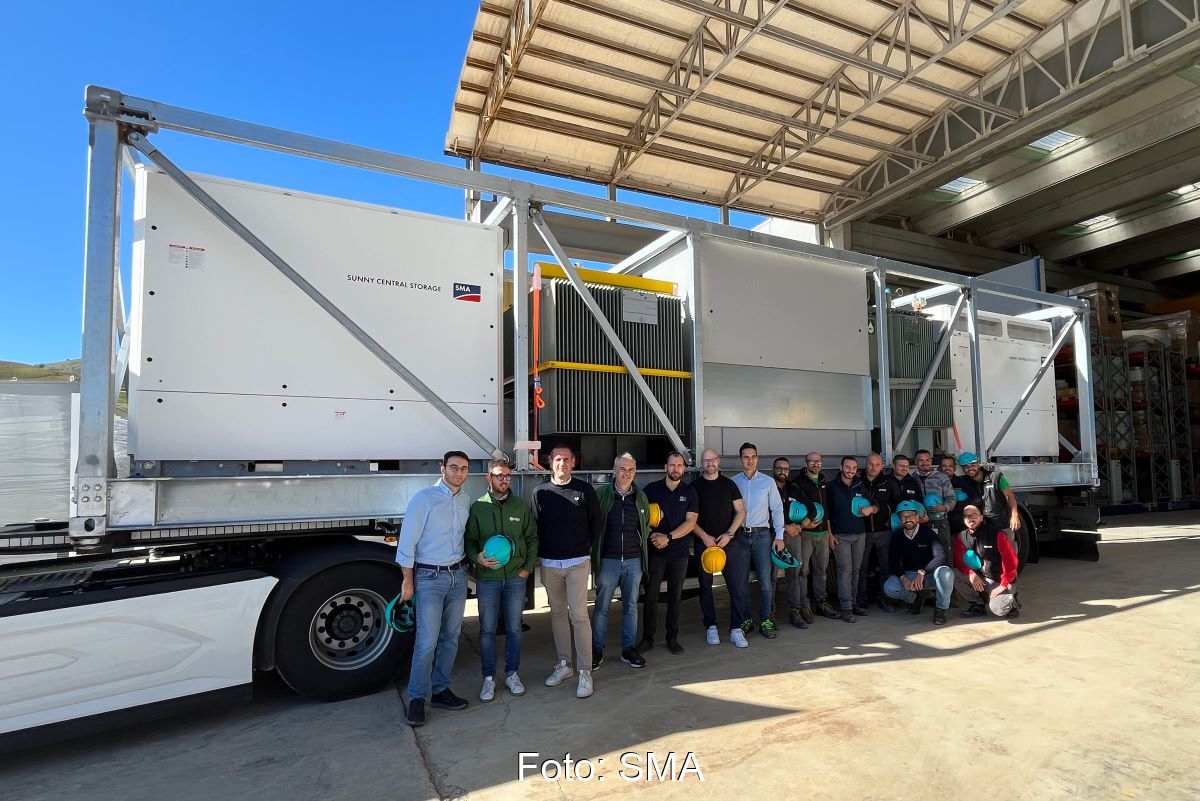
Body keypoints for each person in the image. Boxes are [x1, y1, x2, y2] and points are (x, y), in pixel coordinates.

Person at [396, 450, 473, 728]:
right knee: (426, 642)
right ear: (443, 469)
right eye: (454, 468)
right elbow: (407, 541)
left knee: (451, 637)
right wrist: (408, 579)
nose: (459, 473)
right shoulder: (424, 499)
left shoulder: (465, 500)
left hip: (457, 576)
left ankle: (440, 690)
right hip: (429, 577)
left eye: (464, 469)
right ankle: (416, 699)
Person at [532, 444, 603, 699]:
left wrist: (583, 549)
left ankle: (585, 672)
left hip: (577, 563)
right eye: (557, 459)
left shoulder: (584, 490)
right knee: (558, 614)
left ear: (573, 463)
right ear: (550, 462)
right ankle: (565, 665)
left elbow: (596, 524)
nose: (562, 463)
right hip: (550, 565)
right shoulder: (539, 492)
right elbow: (536, 527)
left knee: (579, 616)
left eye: (566, 459)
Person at [465, 458, 538, 703]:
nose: (504, 479)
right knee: (486, 630)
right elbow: (470, 541)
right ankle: (488, 678)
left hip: (516, 579)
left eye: (507, 475)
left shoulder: (520, 506)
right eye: (499, 475)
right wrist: (477, 559)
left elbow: (532, 539)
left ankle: (512, 673)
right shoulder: (478, 507)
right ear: (489, 478)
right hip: (488, 580)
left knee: (514, 628)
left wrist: (527, 570)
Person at [593, 453, 651, 670]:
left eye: (631, 470)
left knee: (631, 606)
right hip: (608, 560)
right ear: (614, 471)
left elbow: (644, 526)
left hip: (634, 561)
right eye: (622, 469)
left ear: (635, 472)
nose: (626, 473)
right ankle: (597, 650)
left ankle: (628, 649)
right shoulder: (602, 495)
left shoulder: (641, 497)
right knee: (602, 607)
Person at [641, 452, 699, 655]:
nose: (676, 469)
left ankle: (672, 637)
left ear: (684, 468)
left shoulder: (690, 492)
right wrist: (653, 536)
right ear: (666, 467)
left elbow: (691, 522)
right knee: (651, 596)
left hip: (679, 552)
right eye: (672, 465)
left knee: (675, 596)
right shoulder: (651, 490)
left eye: (679, 465)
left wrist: (669, 537)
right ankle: (647, 639)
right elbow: (642, 518)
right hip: (656, 550)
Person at [690, 448, 748, 647]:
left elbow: (740, 511)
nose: (710, 464)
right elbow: (689, 519)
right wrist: (704, 536)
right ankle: (711, 627)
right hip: (704, 545)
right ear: (701, 464)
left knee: (736, 588)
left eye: (713, 460)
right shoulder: (694, 487)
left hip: (729, 544)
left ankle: (736, 629)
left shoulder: (729, 485)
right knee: (705, 588)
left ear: (718, 461)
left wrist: (729, 534)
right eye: (706, 461)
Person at [731, 442, 786, 639]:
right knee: (742, 581)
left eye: (753, 456)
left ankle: (766, 620)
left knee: (764, 580)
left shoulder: (767, 482)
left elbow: (777, 509)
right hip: (740, 537)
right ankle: (746, 620)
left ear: (757, 458)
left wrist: (779, 536)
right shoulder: (733, 482)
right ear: (740, 459)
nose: (750, 460)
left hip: (763, 535)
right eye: (746, 456)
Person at [884, 502, 955, 626]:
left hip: (930, 576)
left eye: (911, 515)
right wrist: (903, 578)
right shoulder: (897, 536)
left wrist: (922, 572)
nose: (908, 519)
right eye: (904, 516)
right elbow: (893, 561)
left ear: (918, 518)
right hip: (910, 576)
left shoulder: (928, 533)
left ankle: (940, 610)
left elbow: (940, 556)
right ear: (900, 520)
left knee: (946, 573)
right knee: (890, 587)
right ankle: (915, 598)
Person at [953, 502, 1020, 619]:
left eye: (974, 515)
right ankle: (977, 604)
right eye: (967, 516)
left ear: (981, 517)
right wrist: (970, 573)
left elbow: (1011, 562)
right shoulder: (962, 537)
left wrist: (1003, 584)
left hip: (999, 580)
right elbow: (959, 561)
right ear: (963, 520)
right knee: (953, 574)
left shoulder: (997, 534)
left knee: (1000, 610)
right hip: (980, 578)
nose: (970, 518)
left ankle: (1012, 601)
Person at [826, 456, 871, 622]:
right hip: (840, 536)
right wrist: (830, 535)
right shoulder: (831, 487)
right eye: (847, 467)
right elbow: (827, 514)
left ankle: (852, 602)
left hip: (860, 534)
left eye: (853, 467)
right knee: (844, 571)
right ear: (841, 467)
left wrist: (871, 508)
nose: (850, 470)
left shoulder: (861, 485)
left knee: (856, 570)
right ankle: (845, 607)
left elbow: (874, 504)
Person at [796, 452, 837, 621]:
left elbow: (826, 510)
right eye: (812, 461)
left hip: (823, 534)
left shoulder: (823, 481)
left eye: (818, 461)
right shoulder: (798, 483)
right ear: (806, 463)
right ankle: (804, 605)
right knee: (803, 571)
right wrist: (804, 524)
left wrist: (830, 533)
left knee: (821, 570)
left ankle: (821, 602)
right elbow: (795, 509)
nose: (815, 464)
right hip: (806, 534)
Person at [773, 457, 809, 630]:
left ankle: (795, 610)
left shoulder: (795, 488)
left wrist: (801, 525)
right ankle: (769, 614)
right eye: (779, 468)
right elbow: (761, 512)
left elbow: (812, 508)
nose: (783, 471)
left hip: (794, 536)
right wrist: (784, 527)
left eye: (786, 469)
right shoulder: (768, 487)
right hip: (774, 537)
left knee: (794, 574)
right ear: (774, 469)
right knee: (770, 576)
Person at [857, 452, 896, 613]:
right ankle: (861, 599)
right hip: (862, 532)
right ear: (866, 464)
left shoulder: (889, 482)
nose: (873, 467)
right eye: (870, 464)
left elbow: (896, 505)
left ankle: (884, 599)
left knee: (885, 567)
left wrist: (880, 511)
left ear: (882, 466)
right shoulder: (857, 482)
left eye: (877, 464)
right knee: (861, 567)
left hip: (884, 531)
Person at [958, 452, 1022, 538]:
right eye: (966, 466)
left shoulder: (995, 477)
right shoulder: (963, 482)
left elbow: (1010, 496)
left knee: (1007, 550)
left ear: (978, 464)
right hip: (981, 528)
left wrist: (1014, 516)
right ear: (963, 469)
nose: (970, 468)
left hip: (1001, 525)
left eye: (973, 464)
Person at [914, 448, 956, 562]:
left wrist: (944, 507)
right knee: (923, 552)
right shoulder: (912, 479)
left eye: (927, 460)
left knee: (944, 551)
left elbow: (952, 498)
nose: (925, 463)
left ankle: (948, 577)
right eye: (921, 460)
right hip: (920, 522)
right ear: (915, 462)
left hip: (940, 521)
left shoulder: (942, 477)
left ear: (931, 461)